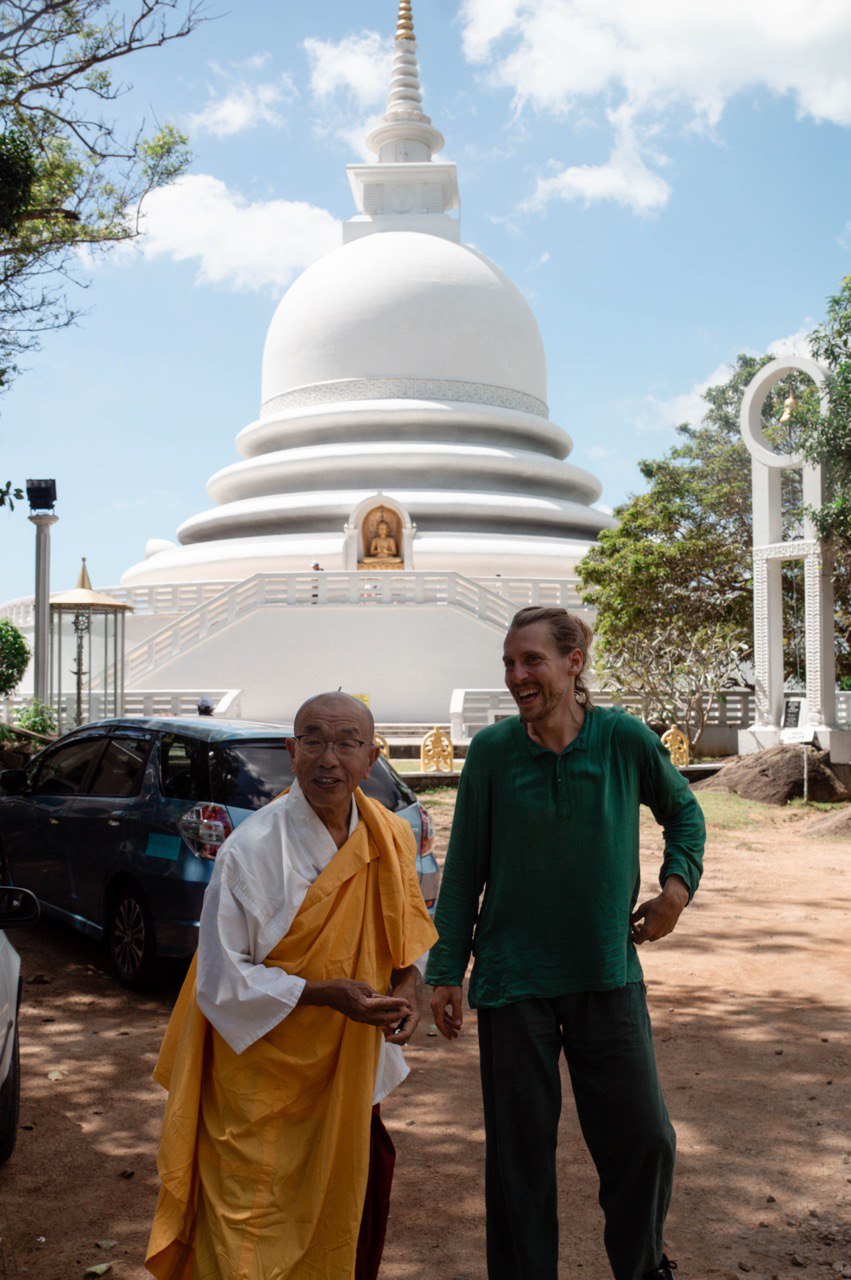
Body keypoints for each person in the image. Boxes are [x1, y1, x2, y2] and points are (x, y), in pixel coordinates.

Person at [427, 607, 705, 1280]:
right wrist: (445, 969)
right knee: (519, 1159)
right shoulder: (493, 752)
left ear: (573, 662)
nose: (516, 675)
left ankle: (642, 1268)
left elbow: (683, 811)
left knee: (644, 1140)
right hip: (511, 979)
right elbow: (464, 868)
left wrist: (675, 891)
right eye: (508, 663)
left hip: (605, 970)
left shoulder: (622, 740)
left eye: (531, 661)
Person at [146, 692, 438, 1280]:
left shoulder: (389, 837)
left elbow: (407, 939)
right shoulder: (250, 851)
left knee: (348, 1207)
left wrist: (409, 987)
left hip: (347, 1073)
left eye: (347, 743)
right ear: (292, 752)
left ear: (372, 757)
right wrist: (324, 994)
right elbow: (223, 979)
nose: (328, 759)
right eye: (313, 741)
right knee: (253, 1228)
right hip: (262, 1084)